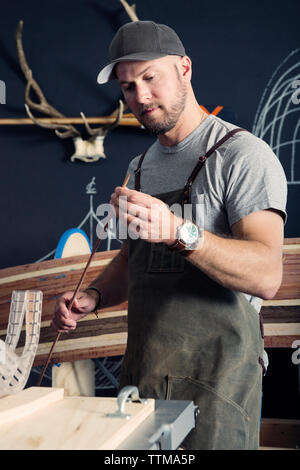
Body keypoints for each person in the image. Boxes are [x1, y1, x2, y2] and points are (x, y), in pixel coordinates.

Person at [52, 21, 287, 449]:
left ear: (184, 68)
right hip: (142, 384)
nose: (139, 98)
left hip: (218, 387)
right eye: (127, 87)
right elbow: (132, 261)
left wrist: (180, 231)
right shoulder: (140, 168)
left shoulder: (241, 155)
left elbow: (267, 274)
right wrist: (93, 298)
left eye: (149, 78)